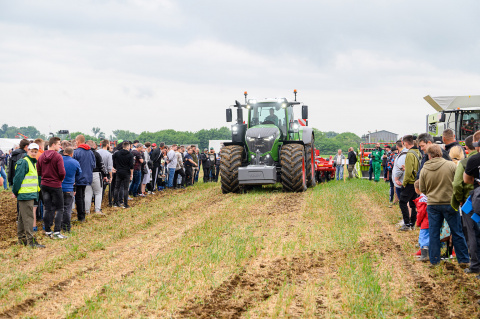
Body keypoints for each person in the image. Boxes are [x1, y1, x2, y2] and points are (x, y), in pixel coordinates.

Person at [420, 144, 470, 267]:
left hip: (432, 204)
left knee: (434, 233)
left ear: (429, 155)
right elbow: (458, 183)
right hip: (450, 203)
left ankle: (434, 260)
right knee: (457, 231)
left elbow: (422, 188)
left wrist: (432, 194)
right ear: (441, 153)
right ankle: (463, 259)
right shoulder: (451, 165)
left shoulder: (425, 169)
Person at [12, 143, 45, 248]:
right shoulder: (24, 162)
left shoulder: (32, 163)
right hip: (25, 194)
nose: (34, 153)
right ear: (28, 150)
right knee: (29, 218)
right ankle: (31, 242)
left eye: (36, 151)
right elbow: (18, 179)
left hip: (30, 194)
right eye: (32, 151)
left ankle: (22, 239)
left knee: (22, 218)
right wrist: (15, 191)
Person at [37, 137, 67, 239]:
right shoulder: (58, 156)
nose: (60, 146)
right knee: (59, 208)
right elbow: (62, 172)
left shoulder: (41, 156)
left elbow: (38, 171)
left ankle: (48, 230)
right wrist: (60, 179)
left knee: (47, 207)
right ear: (53, 144)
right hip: (55, 185)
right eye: (59, 144)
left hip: (44, 185)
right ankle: (57, 231)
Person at [462, 132, 480, 276]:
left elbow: (467, 180)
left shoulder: (474, 159)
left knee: (475, 233)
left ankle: (476, 265)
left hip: (477, 199)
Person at [398, 135, 421, 231]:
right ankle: (412, 223)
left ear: (405, 143)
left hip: (410, 182)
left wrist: (404, 183)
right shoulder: (417, 152)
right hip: (416, 181)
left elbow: (408, 171)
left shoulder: (410, 154)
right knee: (413, 203)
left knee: (402, 202)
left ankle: (407, 224)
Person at [73, 135, 96, 222]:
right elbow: (93, 165)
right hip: (88, 177)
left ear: (78, 141)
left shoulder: (76, 152)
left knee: (79, 197)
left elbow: (74, 165)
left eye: (76, 140)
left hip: (79, 177)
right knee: (82, 196)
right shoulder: (90, 152)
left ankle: (81, 217)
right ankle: (83, 215)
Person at [61, 146, 81, 232]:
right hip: (69, 188)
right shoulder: (75, 162)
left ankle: (58, 227)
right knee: (67, 209)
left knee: (58, 208)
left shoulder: (59, 160)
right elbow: (79, 174)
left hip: (58, 187)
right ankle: (66, 227)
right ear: (72, 154)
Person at [85, 140, 108, 215]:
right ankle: (97, 210)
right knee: (98, 193)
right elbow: (102, 166)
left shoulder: (84, 153)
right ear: (94, 146)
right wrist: (105, 175)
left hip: (86, 174)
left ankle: (87, 211)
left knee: (88, 193)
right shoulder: (96, 154)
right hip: (96, 174)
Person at [112, 141, 134, 208]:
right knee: (125, 188)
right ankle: (125, 204)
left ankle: (115, 202)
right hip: (126, 172)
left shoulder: (117, 153)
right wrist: (131, 175)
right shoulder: (130, 155)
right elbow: (131, 166)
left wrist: (114, 167)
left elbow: (112, 159)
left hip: (119, 171)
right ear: (127, 147)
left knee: (117, 187)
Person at [414, 180, 429, 262]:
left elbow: (421, 213)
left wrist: (418, 222)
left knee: (423, 238)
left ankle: (424, 255)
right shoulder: (428, 197)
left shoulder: (421, 200)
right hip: (433, 221)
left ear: (417, 189)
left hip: (425, 223)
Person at [97, 139, 113, 205]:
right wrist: (111, 176)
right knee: (102, 189)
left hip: (96, 172)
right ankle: (99, 203)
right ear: (107, 145)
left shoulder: (97, 152)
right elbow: (109, 167)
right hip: (105, 173)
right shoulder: (108, 154)